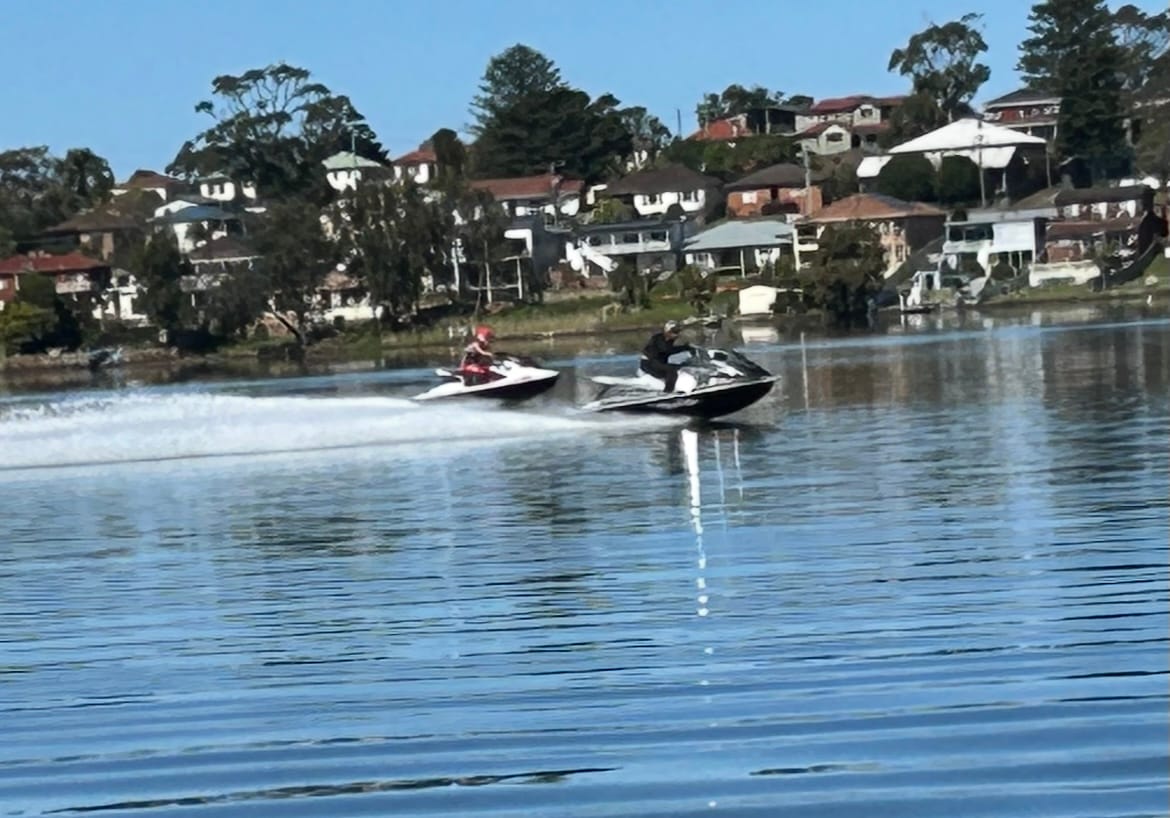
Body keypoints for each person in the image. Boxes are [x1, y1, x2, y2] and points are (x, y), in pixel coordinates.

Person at [640, 320, 693, 392]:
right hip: (649, 363)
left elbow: (667, 351)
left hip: (656, 362)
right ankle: (667, 392)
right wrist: (684, 348)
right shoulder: (659, 339)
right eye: (674, 332)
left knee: (682, 365)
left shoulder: (669, 339)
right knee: (672, 371)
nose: (676, 334)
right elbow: (667, 350)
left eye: (677, 332)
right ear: (668, 331)